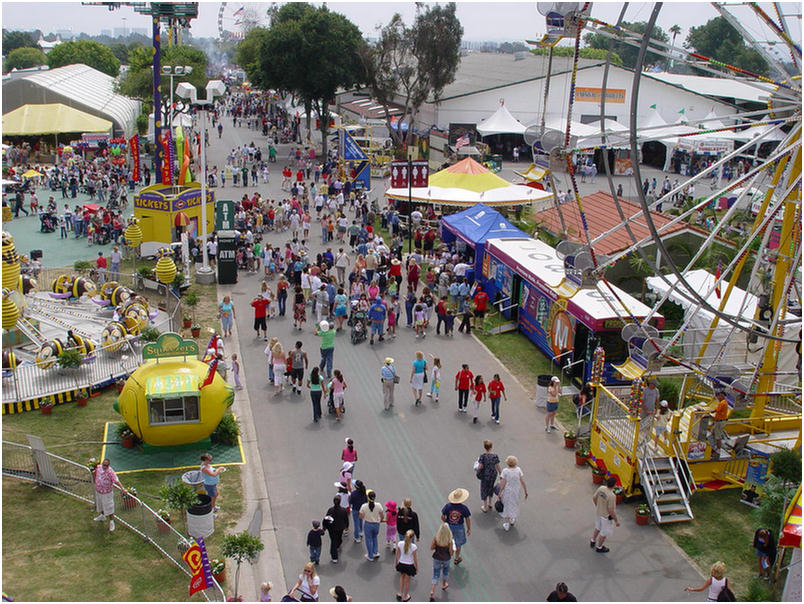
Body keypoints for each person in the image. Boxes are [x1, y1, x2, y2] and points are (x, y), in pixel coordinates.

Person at [93, 458, 127, 531]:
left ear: (108, 465)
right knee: (100, 504)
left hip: (106, 493)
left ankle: (111, 522)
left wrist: (122, 488)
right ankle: (102, 516)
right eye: (103, 465)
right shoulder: (98, 467)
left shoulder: (110, 472)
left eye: (106, 465)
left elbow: (116, 480)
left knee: (109, 507)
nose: (104, 466)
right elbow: (95, 473)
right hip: (98, 491)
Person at [440, 488, 471, 566]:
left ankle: (446, 557)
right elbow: (467, 518)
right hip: (459, 527)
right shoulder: (464, 508)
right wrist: (468, 528)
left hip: (449, 526)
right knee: (458, 543)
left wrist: (445, 522)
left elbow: (442, 516)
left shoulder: (448, 506)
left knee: (448, 542)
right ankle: (456, 558)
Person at [498, 455, 528, 531]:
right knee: (514, 504)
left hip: (507, 491)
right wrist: (525, 491)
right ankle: (512, 518)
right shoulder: (518, 470)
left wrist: (500, 492)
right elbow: (522, 481)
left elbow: (503, 483)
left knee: (507, 506)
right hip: (516, 491)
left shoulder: (505, 471)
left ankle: (507, 524)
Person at [590, 476, 620, 553]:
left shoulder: (601, 488)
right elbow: (611, 510)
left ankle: (593, 540)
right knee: (604, 532)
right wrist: (616, 520)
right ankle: (599, 547)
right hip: (605, 517)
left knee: (597, 527)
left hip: (598, 512)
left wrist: (598, 506)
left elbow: (594, 498)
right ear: (614, 485)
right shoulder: (612, 496)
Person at [429, 523, 454, 601]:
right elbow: (451, 553)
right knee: (445, 572)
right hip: (446, 559)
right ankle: (444, 584)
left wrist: (436, 546)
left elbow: (431, 548)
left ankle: (432, 591)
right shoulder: (449, 541)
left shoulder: (436, 538)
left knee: (435, 574)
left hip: (437, 558)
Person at [359, 490, 385, 561]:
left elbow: (360, 516)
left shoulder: (364, 506)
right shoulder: (378, 505)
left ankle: (370, 555)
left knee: (368, 540)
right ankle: (375, 552)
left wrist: (366, 516)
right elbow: (382, 515)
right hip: (376, 524)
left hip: (368, 524)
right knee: (374, 538)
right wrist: (380, 520)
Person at [476, 440, 502, 512]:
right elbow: (497, 465)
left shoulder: (483, 456)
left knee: (484, 488)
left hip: (485, 474)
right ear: (491, 447)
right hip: (493, 474)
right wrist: (501, 474)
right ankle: (490, 503)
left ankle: (485, 506)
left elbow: (480, 466)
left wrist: (477, 469)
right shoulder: (495, 456)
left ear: (484, 447)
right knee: (491, 487)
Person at [323, 496, 348, 564]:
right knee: (339, 537)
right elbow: (346, 519)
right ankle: (338, 545)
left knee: (333, 541)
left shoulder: (330, 510)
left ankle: (334, 557)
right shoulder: (343, 510)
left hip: (332, 528)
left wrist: (324, 527)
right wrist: (346, 526)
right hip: (340, 528)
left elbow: (326, 519)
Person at [395, 529, 418, 602]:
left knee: (402, 578)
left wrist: (396, 563)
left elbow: (397, 555)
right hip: (409, 565)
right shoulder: (413, 546)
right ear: (412, 537)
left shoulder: (400, 543)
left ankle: (400, 593)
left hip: (401, 563)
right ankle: (405, 596)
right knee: (407, 581)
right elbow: (415, 558)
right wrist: (416, 567)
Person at [710, 391, 730, 455]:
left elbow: (715, 410)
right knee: (712, 432)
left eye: (720, 396)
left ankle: (718, 449)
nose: (718, 397)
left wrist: (708, 411)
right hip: (719, 421)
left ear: (723, 396)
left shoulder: (722, 403)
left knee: (718, 436)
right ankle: (714, 446)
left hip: (719, 422)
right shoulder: (723, 402)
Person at [349, 479, 367, 544]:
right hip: (362, 509)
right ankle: (361, 532)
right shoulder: (364, 492)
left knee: (356, 523)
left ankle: (357, 537)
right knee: (360, 520)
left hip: (355, 509)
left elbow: (350, 502)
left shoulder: (353, 494)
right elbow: (366, 501)